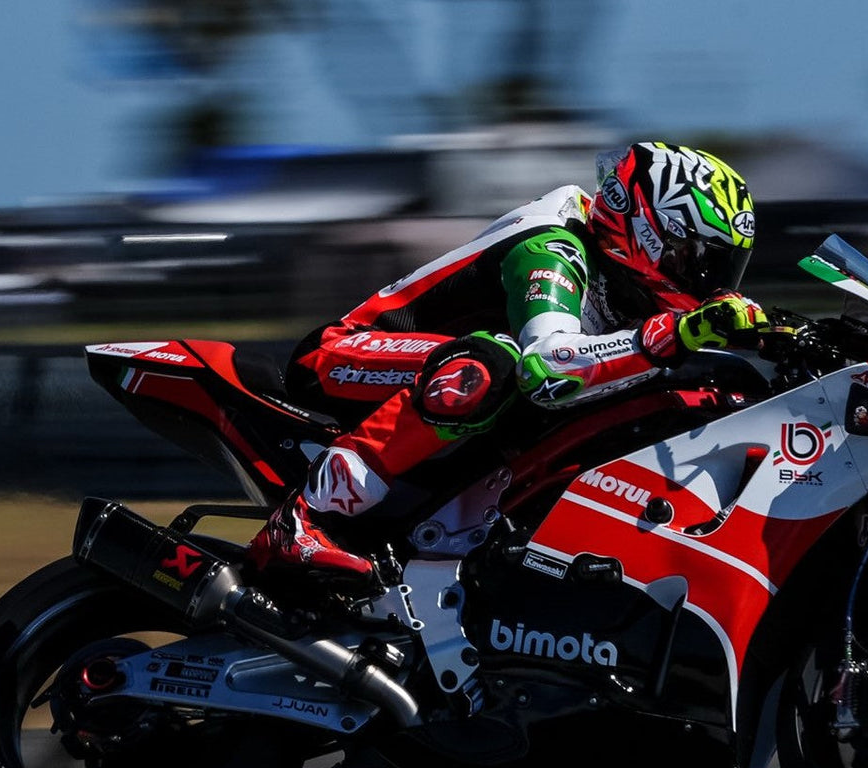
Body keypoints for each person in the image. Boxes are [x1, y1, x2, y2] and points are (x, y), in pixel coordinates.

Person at [247, 141, 768, 581]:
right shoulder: (553, 246)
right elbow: (546, 366)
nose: (709, 285)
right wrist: (673, 333)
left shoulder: (620, 275)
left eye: (726, 268)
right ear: (648, 232)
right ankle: (304, 520)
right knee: (490, 365)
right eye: (697, 260)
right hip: (344, 355)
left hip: (431, 389)